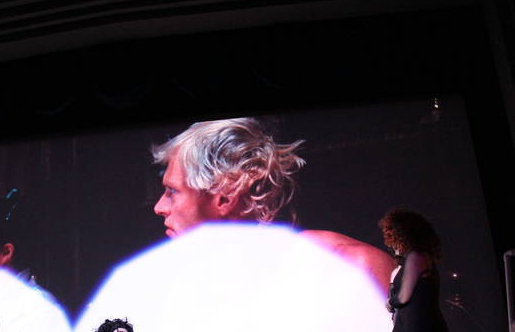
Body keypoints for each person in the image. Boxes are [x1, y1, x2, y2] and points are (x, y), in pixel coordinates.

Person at [152, 118, 395, 292]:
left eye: (172, 191)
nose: (159, 207)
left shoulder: (350, 269)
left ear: (225, 197)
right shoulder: (177, 292)